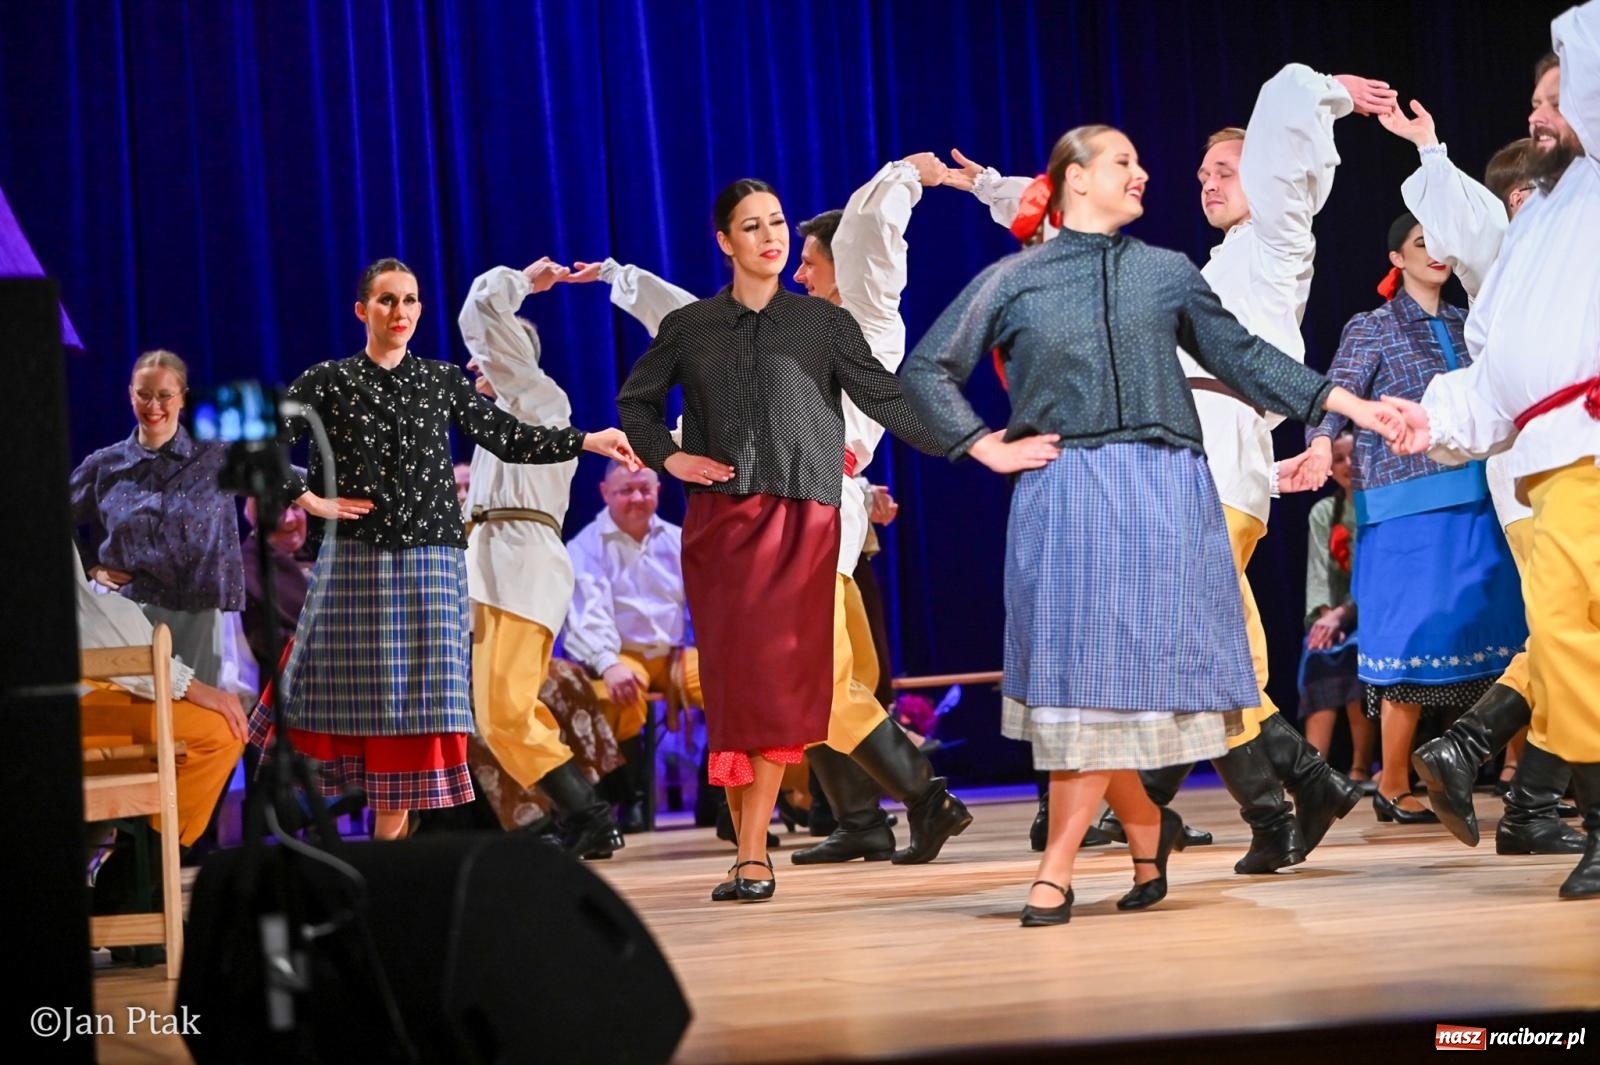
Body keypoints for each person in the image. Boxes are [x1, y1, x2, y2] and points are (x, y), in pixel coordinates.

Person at [900, 124, 1404, 926]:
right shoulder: (1016, 281)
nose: (1143, 173)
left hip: (1169, 492)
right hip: (1065, 491)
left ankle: (1059, 867)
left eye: (1140, 159)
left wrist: (1347, 408)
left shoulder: (1166, 274)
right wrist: (979, 444)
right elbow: (923, 370)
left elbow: (1249, 358)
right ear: (1073, 179)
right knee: (1079, 690)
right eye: (1124, 161)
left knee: (1121, 688)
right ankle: (1141, 826)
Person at [578, 155, 976, 870]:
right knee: (823, 682)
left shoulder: (856, 312)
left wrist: (904, 176)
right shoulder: (758, 324)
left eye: (802, 249)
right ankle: (859, 816)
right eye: (753, 229)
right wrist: (666, 446)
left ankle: (921, 798)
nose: (794, 265)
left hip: (809, 519)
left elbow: (871, 249)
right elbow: (700, 348)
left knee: (818, 681)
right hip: (777, 514)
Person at [245, 257, 638, 840]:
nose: (398, 311)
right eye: (386, 300)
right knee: (348, 700)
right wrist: (309, 497)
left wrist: (588, 439)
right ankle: (320, 836)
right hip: (356, 558)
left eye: (408, 301)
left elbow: (512, 437)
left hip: (434, 562)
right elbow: (264, 444)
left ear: (420, 309)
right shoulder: (328, 380)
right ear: (362, 310)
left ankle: (389, 858)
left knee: (416, 713)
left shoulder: (441, 382)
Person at [1383, 0, 1600, 899]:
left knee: (1574, 639)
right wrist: (1428, 420)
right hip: (1544, 459)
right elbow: (1493, 359)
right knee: (1563, 642)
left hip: (1590, 442)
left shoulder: (1594, 186)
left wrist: (1572, 39)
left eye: (1554, 99)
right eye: (1533, 103)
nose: (1536, 115)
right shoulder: (1536, 227)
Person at [1302, 214, 1527, 825]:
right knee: (1412, 639)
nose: (1437, 253)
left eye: (1441, 242)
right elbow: (1332, 396)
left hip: (1479, 497)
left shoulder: (1467, 322)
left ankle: (1520, 774)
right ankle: (1392, 780)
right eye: (1422, 243)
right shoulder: (1371, 327)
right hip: (1405, 508)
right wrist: (1321, 444)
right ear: (1396, 257)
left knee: (1505, 629)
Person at [458, 256, 625, 858]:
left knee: (503, 708)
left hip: (523, 563)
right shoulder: (499, 423)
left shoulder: (540, 403)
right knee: (496, 713)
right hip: (491, 563)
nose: (476, 363)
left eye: (491, 354)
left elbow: (479, 308)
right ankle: (580, 815)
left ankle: (589, 814)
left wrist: (525, 282)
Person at [75, 545, 247, 913]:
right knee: (218, 733)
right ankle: (125, 894)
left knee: (213, 728)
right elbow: (88, 624)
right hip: (73, 694)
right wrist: (186, 683)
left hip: (174, 593)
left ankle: (130, 891)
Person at [70, 350, 246, 685]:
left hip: (200, 610)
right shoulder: (104, 465)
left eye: (164, 396)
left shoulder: (216, 455)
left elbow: (283, 479)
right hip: (131, 609)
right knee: (141, 715)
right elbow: (54, 517)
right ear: (130, 394)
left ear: (183, 398)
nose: (153, 407)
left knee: (201, 716)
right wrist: (91, 565)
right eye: (144, 395)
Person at [562, 459, 703, 834]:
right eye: (626, 490)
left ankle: (717, 798)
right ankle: (633, 799)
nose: (637, 497)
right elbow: (587, 615)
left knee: (729, 686)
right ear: (606, 493)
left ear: (658, 491)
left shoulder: (678, 539)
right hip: (621, 653)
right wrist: (608, 663)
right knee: (622, 691)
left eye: (645, 488)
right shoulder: (586, 547)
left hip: (675, 654)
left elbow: (705, 602)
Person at [1297, 431, 1376, 786]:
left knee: (1358, 657)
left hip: (1374, 611)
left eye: (1354, 456)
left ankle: (1360, 767)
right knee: (1321, 654)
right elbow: (1317, 571)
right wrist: (1325, 617)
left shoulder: (1379, 505)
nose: (1348, 465)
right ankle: (1314, 772)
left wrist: (1347, 613)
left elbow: (1381, 574)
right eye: (1340, 459)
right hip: (1336, 614)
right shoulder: (1324, 512)